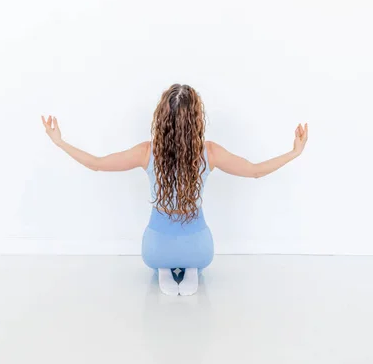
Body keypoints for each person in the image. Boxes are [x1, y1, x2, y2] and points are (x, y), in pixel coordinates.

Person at [41, 83, 308, 296]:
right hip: (200, 249)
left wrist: (60, 142)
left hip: (156, 250)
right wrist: (294, 153)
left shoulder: (147, 152)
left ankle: (166, 269)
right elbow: (255, 170)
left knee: (161, 257)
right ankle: (190, 268)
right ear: (196, 120)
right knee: (194, 257)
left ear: (162, 118)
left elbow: (96, 164)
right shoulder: (210, 152)